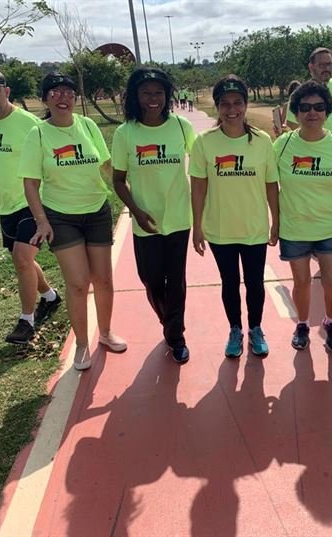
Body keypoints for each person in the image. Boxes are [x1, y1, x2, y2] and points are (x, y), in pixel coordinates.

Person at [19, 73, 126, 371]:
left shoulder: (88, 126)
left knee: (103, 279)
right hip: (60, 215)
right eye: (55, 92)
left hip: (97, 210)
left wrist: (128, 191)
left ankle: (105, 332)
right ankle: (81, 344)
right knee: (78, 284)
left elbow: (106, 164)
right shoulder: (38, 134)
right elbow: (30, 183)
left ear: (75, 98)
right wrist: (42, 221)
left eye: (68, 92)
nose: (62, 97)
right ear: (45, 99)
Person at [0, 68, 61, 345]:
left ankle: (26, 321)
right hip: (6, 206)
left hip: (34, 202)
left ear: (7, 91)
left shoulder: (30, 123)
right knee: (23, 260)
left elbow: (50, 160)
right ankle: (50, 297)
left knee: (21, 258)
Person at [189, 75, 279, 358]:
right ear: (217, 106)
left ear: (245, 104)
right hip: (220, 229)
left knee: (255, 283)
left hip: (254, 227)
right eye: (225, 104)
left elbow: (271, 185)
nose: (232, 109)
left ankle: (256, 328)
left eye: (237, 102)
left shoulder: (262, 141)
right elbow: (198, 187)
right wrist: (197, 226)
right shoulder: (204, 143)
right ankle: (235, 330)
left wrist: (276, 221)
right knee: (229, 282)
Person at [111, 67, 195, 364]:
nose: (153, 98)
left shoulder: (182, 127)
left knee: (177, 280)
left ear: (167, 95)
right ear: (134, 96)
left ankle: (176, 335)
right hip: (145, 221)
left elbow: (202, 160)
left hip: (178, 218)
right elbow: (118, 180)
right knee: (152, 280)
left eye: (158, 92)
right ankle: (169, 322)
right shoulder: (126, 133)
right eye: (146, 93)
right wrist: (136, 212)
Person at [274, 81, 332, 352]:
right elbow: (267, 184)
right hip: (294, 227)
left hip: (330, 226)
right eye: (304, 107)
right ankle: (302, 324)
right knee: (301, 283)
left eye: (318, 107)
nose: (312, 112)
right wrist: (274, 223)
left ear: (327, 110)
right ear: (296, 112)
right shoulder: (283, 145)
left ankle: (331, 321)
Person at [286, 48, 332, 132]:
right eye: (321, 65)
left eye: (329, 64)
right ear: (311, 67)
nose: (326, 68)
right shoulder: (299, 94)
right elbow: (292, 128)